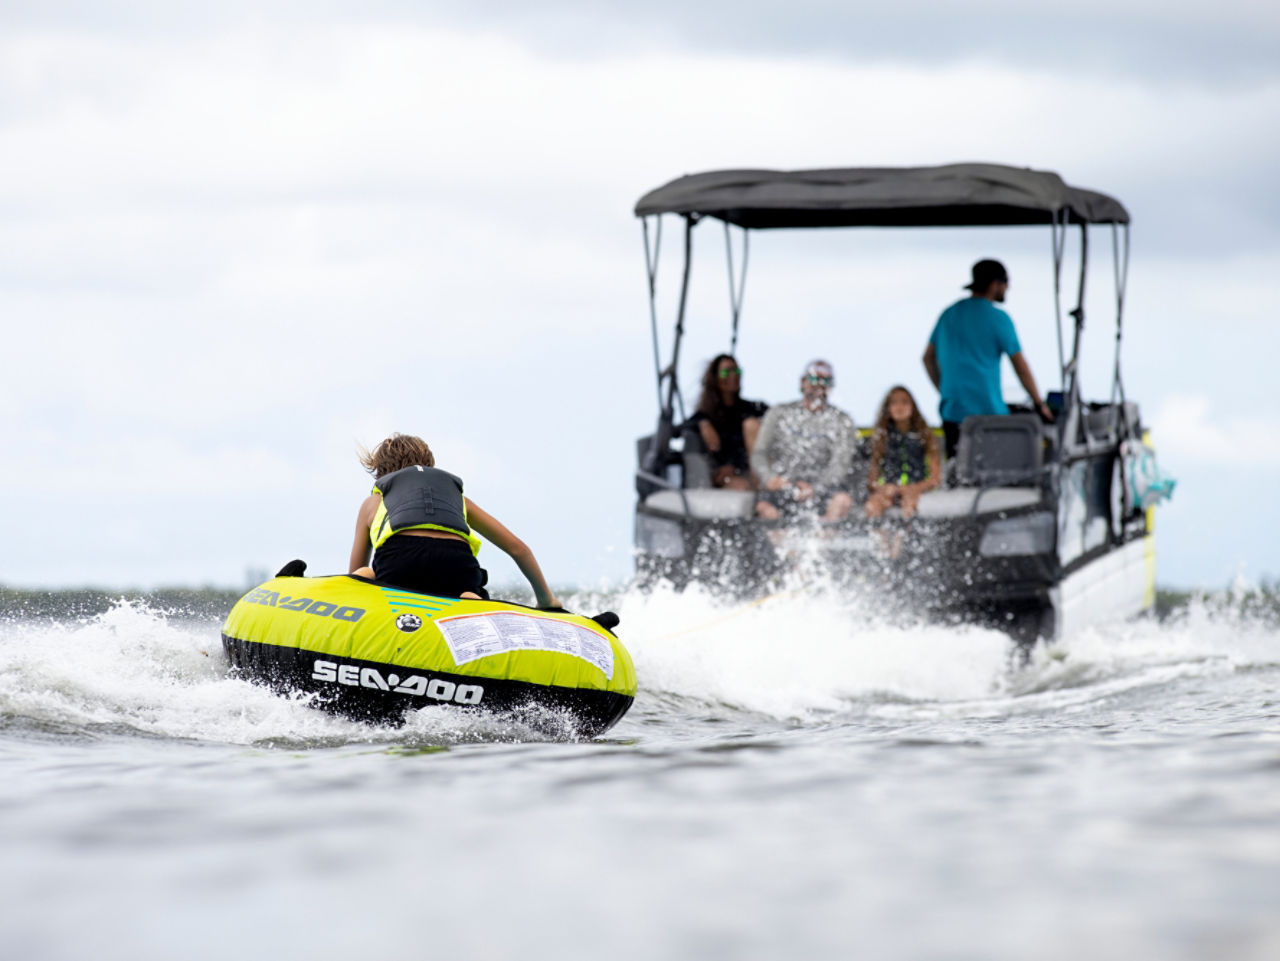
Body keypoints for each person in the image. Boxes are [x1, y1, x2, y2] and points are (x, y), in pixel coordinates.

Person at [347, 433, 561, 609]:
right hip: (457, 564)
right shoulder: (456, 499)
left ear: (382, 474)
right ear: (430, 466)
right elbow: (518, 549)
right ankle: (470, 597)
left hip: (400, 563)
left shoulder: (374, 502)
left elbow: (351, 575)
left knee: (366, 574)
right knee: (466, 589)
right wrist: (546, 600)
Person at [922, 259, 1054, 458]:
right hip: (988, 415)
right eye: (1005, 283)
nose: (1007, 288)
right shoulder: (998, 318)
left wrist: (944, 391)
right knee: (994, 476)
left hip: (952, 414)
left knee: (957, 476)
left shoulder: (948, 314)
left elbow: (927, 359)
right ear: (995, 284)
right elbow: (1021, 367)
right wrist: (1039, 404)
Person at [751, 359, 857, 523]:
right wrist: (770, 478)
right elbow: (759, 454)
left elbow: (840, 464)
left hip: (824, 487)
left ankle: (820, 547)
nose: (818, 384)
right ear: (803, 382)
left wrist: (816, 488)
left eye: (825, 381)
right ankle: (787, 549)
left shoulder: (842, 420)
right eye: (814, 379)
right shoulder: (779, 413)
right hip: (783, 484)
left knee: (842, 500)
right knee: (764, 507)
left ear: (830, 387)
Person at [687, 354, 768, 490]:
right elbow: (680, 428)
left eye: (736, 371)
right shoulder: (705, 415)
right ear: (715, 378)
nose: (733, 376)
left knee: (752, 424)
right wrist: (703, 424)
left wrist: (735, 466)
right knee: (742, 487)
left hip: (751, 470)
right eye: (726, 372)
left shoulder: (753, 409)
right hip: (724, 477)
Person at [865, 385, 942, 520]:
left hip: (916, 489)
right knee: (873, 505)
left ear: (913, 407)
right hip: (890, 490)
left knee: (909, 504)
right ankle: (880, 540)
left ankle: (905, 539)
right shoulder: (882, 438)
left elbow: (935, 479)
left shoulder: (924, 436)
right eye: (894, 403)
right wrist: (884, 488)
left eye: (905, 402)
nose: (900, 407)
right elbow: (872, 481)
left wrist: (914, 488)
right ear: (887, 409)